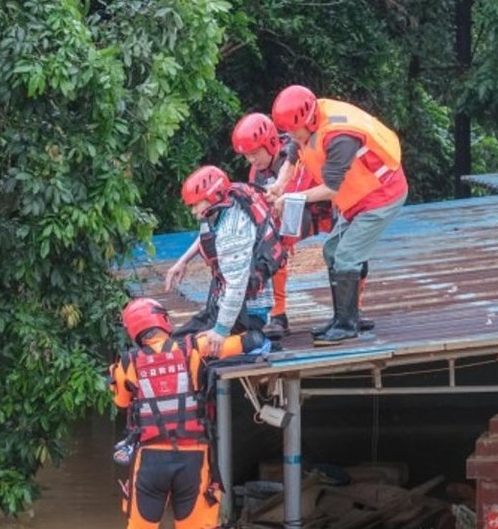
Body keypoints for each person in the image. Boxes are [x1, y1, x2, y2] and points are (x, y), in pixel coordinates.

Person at [108, 297, 266, 529]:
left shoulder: (126, 364)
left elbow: (121, 402)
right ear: (163, 321)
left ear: (133, 330)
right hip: (192, 459)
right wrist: (252, 324)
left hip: (150, 462)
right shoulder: (196, 346)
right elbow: (251, 341)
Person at [268, 85, 408, 345]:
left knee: (346, 256)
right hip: (357, 197)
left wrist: (292, 197)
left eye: (292, 130)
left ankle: (347, 324)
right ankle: (343, 316)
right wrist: (279, 186)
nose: (290, 135)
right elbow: (292, 153)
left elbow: (331, 189)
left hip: (381, 195)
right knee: (332, 250)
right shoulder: (305, 125)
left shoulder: (339, 137)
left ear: (308, 120)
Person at [231, 112, 336, 339]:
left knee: (346, 251)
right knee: (270, 244)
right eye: (247, 156)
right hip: (301, 210)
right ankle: (278, 315)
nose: (252, 160)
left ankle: (350, 311)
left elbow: (297, 196)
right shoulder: (257, 171)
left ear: (270, 143)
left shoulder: (293, 155)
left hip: (328, 205)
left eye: (255, 153)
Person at [165, 165, 285, 355]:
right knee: (176, 341)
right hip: (229, 304)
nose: (193, 211)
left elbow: (236, 287)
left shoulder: (232, 232)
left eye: (196, 205)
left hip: (246, 312)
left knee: (186, 352)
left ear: (212, 197)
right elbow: (209, 234)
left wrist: (221, 331)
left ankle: (253, 341)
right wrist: (183, 261)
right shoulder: (229, 200)